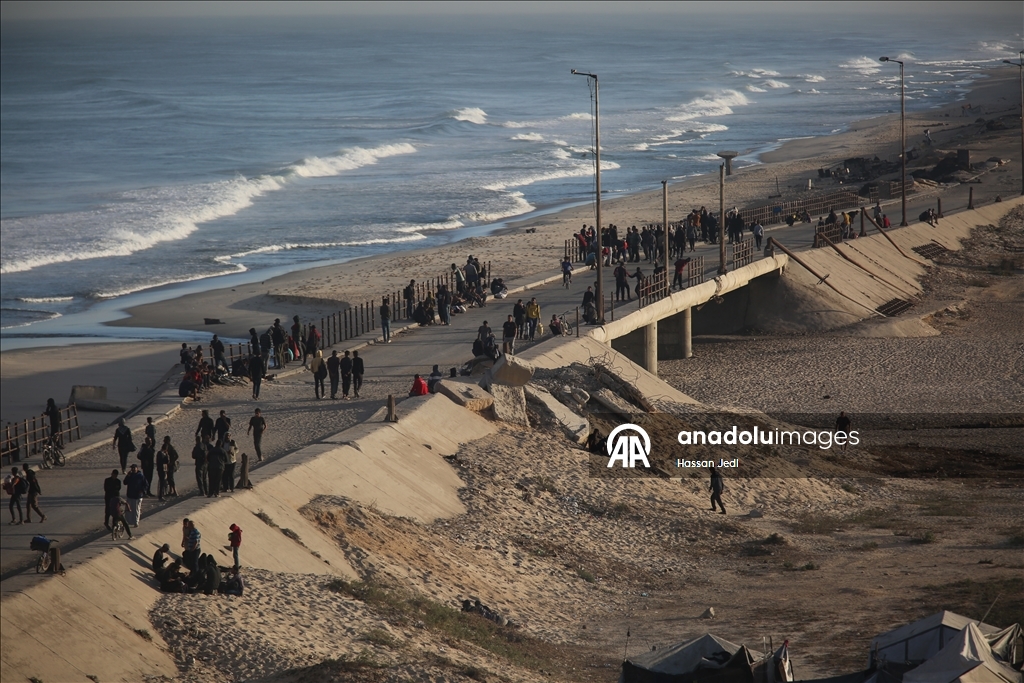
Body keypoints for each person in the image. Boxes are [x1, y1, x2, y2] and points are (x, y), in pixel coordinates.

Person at [124, 463, 147, 527]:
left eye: (134, 468)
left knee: (136, 509)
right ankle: (128, 521)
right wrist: (128, 476)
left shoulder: (140, 476)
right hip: (130, 495)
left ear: (137, 468)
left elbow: (145, 484)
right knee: (128, 509)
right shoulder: (130, 475)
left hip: (137, 496)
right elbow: (125, 482)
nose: (133, 469)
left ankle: (136, 522)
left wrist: (142, 491)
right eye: (132, 468)